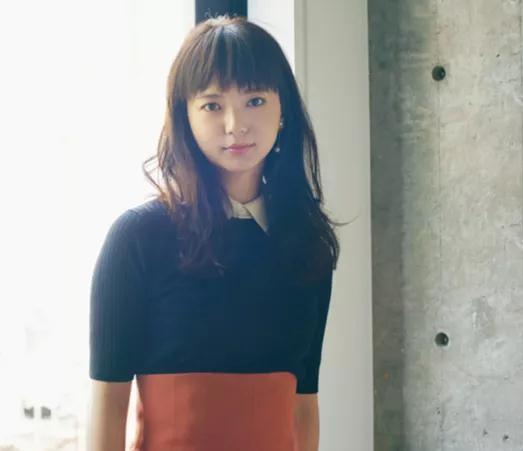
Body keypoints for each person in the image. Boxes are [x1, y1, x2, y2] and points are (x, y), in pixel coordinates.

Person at [87, 14, 341, 451]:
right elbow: (108, 405)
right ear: (184, 116)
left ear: (283, 110)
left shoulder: (308, 243)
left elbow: (304, 405)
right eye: (212, 105)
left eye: (255, 100)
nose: (235, 124)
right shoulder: (138, 238)